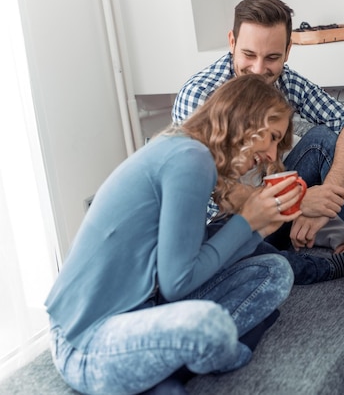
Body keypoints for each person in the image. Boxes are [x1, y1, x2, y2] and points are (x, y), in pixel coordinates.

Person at [45, 75, 300, 395]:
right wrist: (246, 222)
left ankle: (168, 370)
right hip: (85, 342)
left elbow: (185, 272)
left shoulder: (187, 151)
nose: (272, 154)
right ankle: (224, 354)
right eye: (273, 137)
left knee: (274, 272)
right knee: (209, 324)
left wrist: (258, 227)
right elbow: (177, 284)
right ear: (248, 119)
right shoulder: (190, 159)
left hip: (144, 310)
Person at [172, 0, 344, 283]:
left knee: (322, 140)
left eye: (272, 57)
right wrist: (298, 202)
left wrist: (325, 198)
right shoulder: (200, 97)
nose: (258, 69)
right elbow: (213, 192)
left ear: (288, 50)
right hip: (221, 224)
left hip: (273, 210)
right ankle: (329, 266)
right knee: (269, 264)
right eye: (248, 55)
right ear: (231, 42)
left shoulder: (285, 80)